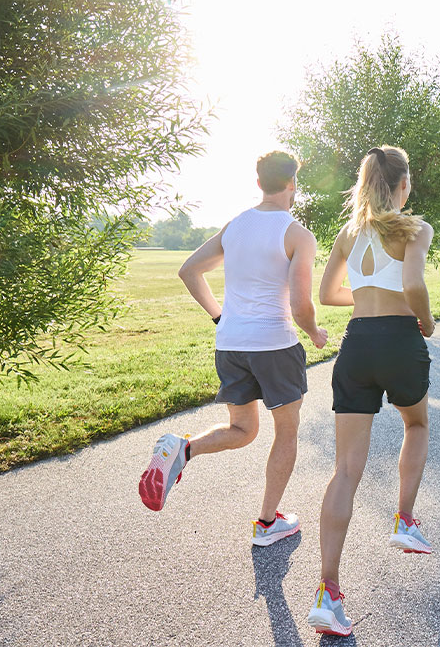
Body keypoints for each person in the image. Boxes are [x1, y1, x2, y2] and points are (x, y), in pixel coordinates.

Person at [138, 150, 327, 549]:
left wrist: (219, 317)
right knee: (286, 432)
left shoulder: (235, 226)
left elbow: (189, 270)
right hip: (275, 345)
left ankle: (182, 449)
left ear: (259, 183)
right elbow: (300, 305)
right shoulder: (297, 234)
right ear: (293, 183)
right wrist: (314, 333)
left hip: (231, 345)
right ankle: (268, 522)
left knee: (243, 429)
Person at [306, 146, 435, 636]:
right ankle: (405, 521)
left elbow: (326, 295)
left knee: (345, 470)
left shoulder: (349, 233)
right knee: (416, 423)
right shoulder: (414, 229)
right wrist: (425, 321)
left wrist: (364, 297)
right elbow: (415, 284)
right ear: (402, 184)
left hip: (356, 344)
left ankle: (328, 593)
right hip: (400, 340)